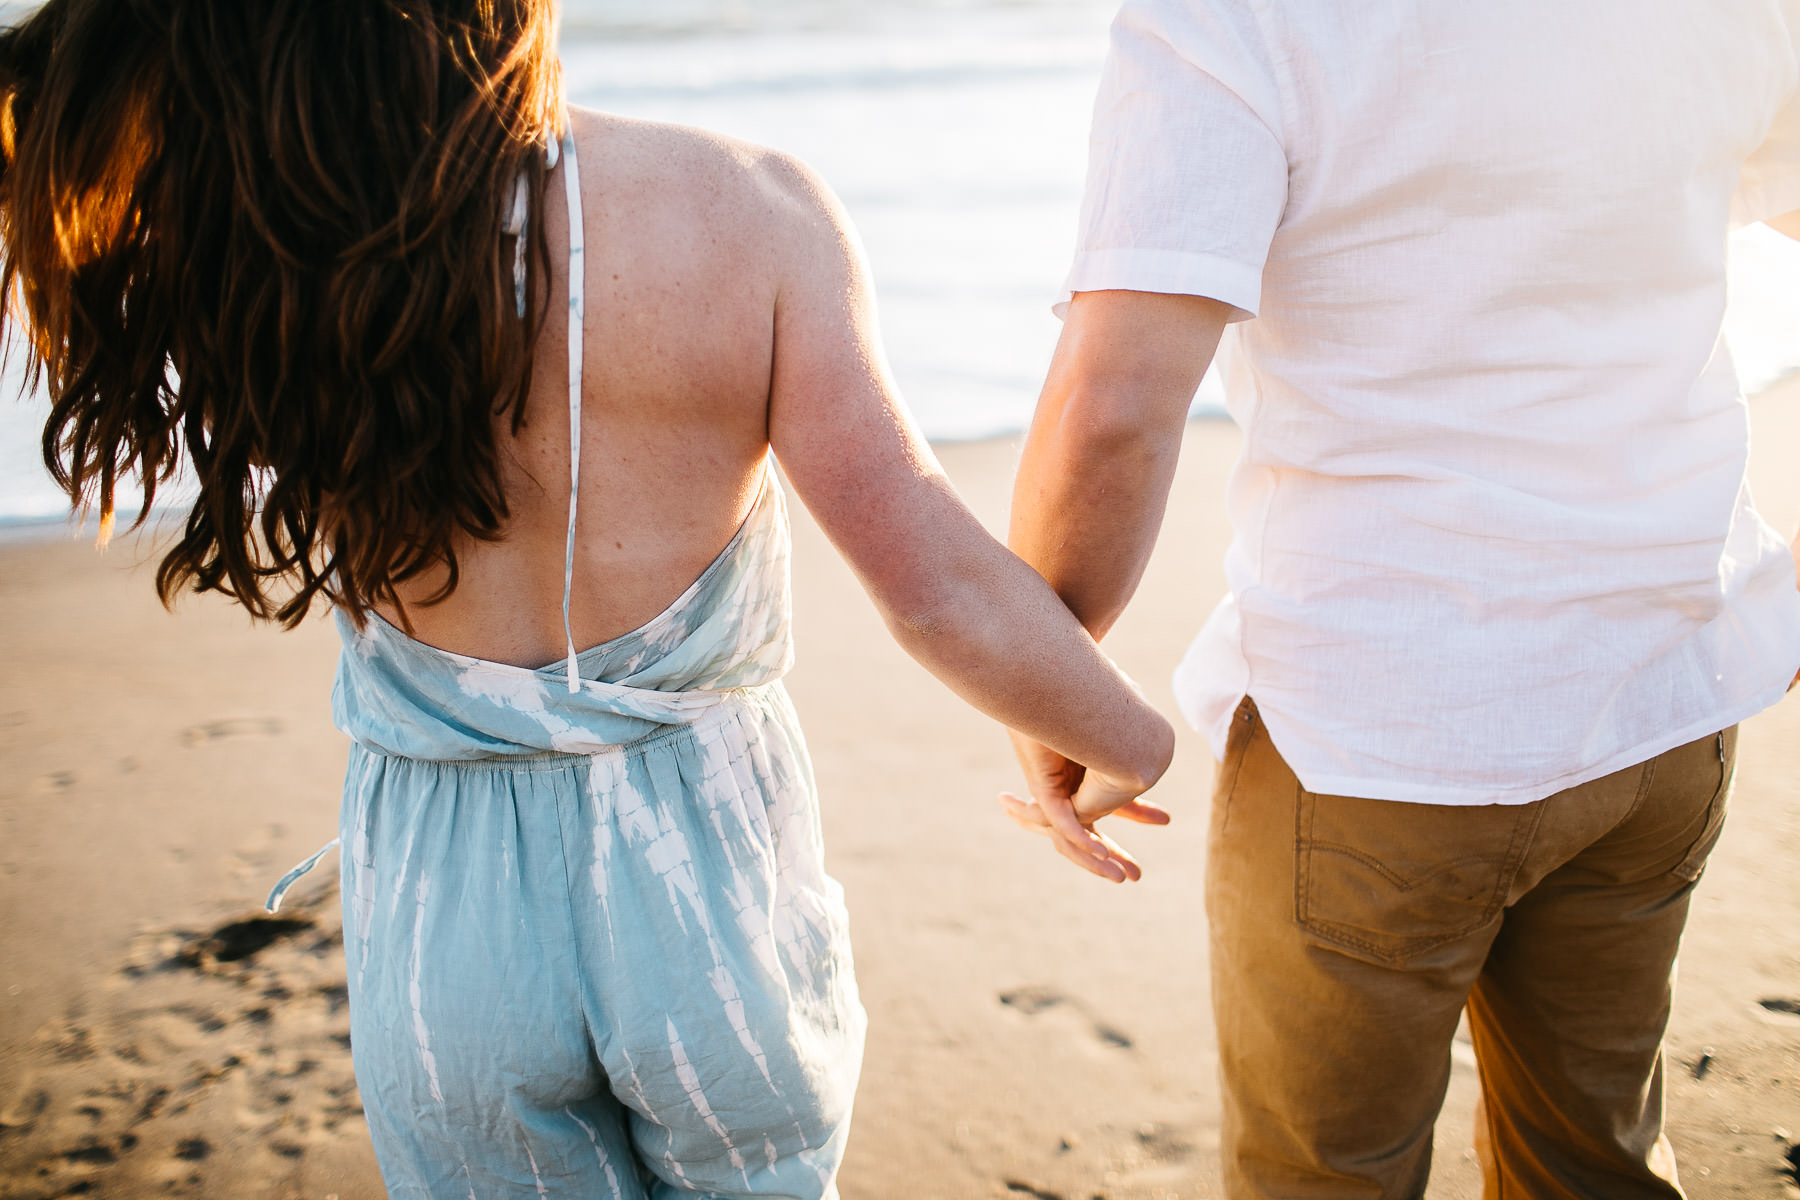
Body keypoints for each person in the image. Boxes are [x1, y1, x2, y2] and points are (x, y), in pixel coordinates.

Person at [0, 2, 1175, 1196]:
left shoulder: (279, 246)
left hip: (449, 928)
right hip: (709, 899)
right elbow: (933, 588)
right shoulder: (749, 213)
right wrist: (1122, 734)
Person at [1000, 0, 1800, 1195]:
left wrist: (1047, 684)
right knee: (1597, 1157)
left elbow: (1113, 409)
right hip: (1667, 696)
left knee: (1327, 1173)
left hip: (1377, 729)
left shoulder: (1233, 22)